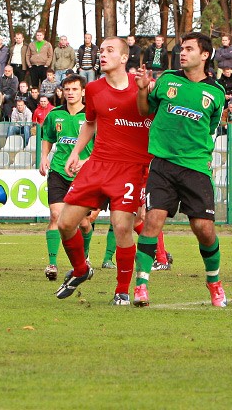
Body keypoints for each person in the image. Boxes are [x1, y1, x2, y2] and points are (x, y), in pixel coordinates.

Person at [54, 37, 152, 306]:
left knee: (122, 227)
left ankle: (122, 290)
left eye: (110, 51)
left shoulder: (143, 88)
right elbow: (90, 123)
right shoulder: (95, 89)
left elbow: (158, 126)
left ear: (124, 58)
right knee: (64, 223)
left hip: (132, 169)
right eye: (101, 51)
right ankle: (81, 269)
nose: (102, 55)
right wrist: (75, 153)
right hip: (97, 164)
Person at [133, 32, 227, 307]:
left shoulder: (216, 93)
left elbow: (208, 130)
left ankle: (214, 282)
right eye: (181, 49)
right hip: (162, 164)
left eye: (188, 49)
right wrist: (141, 89)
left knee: (204, 228)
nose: (182, 53)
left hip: (195, 167)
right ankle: (141, 286)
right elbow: (143, 111)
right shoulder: (166, 80)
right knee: (152, 220)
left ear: (205, 55)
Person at [40, 75, 95, 281]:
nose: (70, 92)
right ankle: (52, 263)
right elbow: (48, 137)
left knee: (82, 222)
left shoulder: (91, 116)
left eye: (74, 89)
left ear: (83, 92)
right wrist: (44, 158)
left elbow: (101, 146)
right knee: (55, 215)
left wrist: (86, 161)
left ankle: (85, 257)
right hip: (59, 171)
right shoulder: (55, 115)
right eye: (67, 89)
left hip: (83, 175)